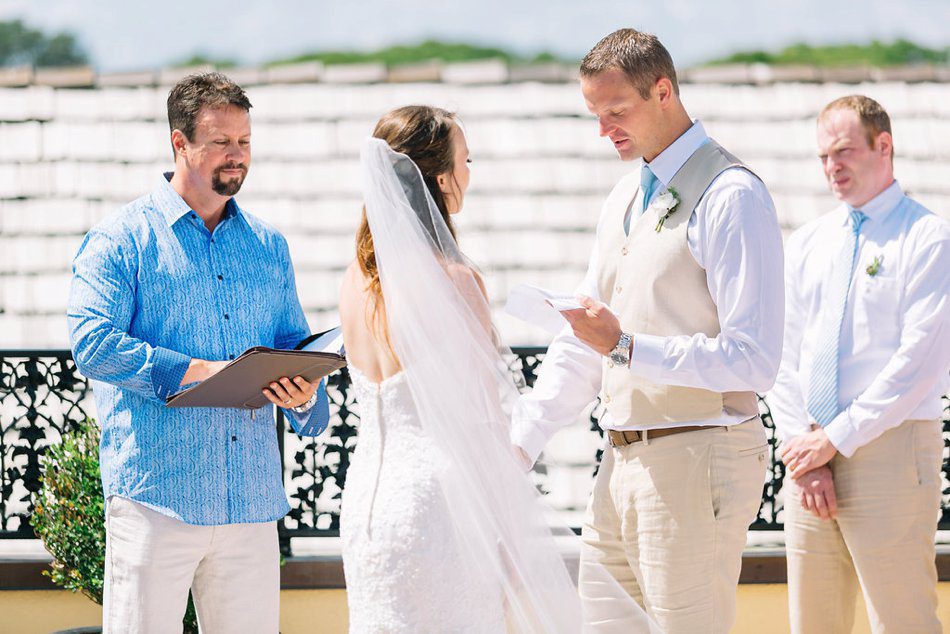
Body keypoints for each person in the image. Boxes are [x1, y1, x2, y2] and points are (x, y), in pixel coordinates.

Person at [338, 105, 658, 633]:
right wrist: (508, 538)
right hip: (440, 508)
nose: (469, 172)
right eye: (465, 160)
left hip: (368, 510)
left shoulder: (355, 280)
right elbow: (484, 423)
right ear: (442, 179)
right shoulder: (454, 281)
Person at [511, 28, 785, 633]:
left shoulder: (732, 195)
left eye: (616, 111)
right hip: (618, 462)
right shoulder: (622, 199)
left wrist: (626, 347)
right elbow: (585, 339)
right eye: (594, 114)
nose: (603, 129)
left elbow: (755, 359)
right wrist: (521, 444)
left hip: (699, 453)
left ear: (663, 91)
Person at [67, 72, 329, 633]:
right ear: (179, 143)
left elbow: (293, 345)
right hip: (156, 501)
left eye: (245, 141)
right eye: (221, 142)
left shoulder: (269, 246)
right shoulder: (121, 239)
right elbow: (92, 343)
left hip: (251, 505)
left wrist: (305, 395)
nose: (238, 155)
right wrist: (197, 371)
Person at [769, 95, 949, 633]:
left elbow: (918, 363)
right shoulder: (808, 242)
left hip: (890, 450)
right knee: (813, 624)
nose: (832, 166)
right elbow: (781, 354)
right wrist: (806, 450)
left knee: (902, 622)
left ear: (883, 146)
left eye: (844, 151)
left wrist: (836, 437)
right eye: (823, 156)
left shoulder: (928, 239)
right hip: (809, 459)